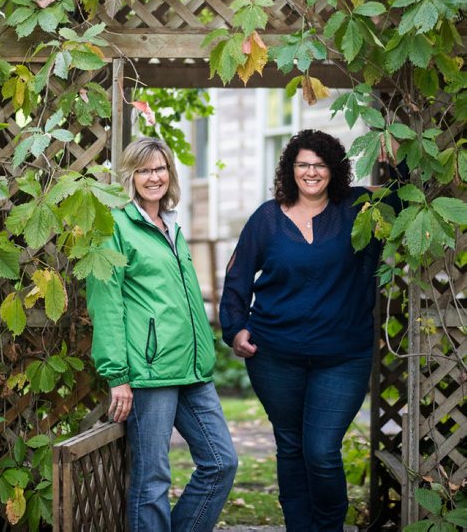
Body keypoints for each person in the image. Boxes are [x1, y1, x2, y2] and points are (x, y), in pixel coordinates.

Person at [220, 129, 402, 532]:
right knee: (290, 446)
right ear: (290, 168)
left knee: (321, 451)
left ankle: (328, 527)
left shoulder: (359, 207)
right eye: (302, 164)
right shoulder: (266, 218)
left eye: (319, 165)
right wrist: (234, 329)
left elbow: (404, 196)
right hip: (274, 356)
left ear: (334, 169)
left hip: (343, 357)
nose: (311, 172)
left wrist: (396, 151)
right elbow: (237, 278)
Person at [87, 136, 237, 532]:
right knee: (152, 480)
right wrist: (117, 375)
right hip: (149, 372)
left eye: (159, 168)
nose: (153, 177)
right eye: (143, 170)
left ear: (169, 172)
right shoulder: (114, 225)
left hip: (191, 370)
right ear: (130, 176)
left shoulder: (170, 224)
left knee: (221, 462)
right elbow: (106, 302)